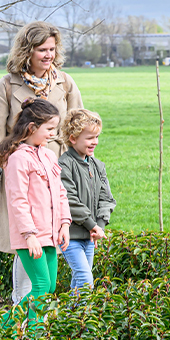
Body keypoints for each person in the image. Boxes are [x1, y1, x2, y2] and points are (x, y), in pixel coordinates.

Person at [0, 21, 83, 304]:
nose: (48, 55)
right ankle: (21, 309)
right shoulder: (7, 85)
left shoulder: (65, 82)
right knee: (26, 241)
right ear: (26, 51)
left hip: (54, 170)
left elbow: (77, 126)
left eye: (52, 49)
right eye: (42, 49)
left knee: (48, 243)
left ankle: (28, 321)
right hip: (20, 172)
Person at [0, 98, 70, 329]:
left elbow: (60, 192)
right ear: (31, 127)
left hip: (50, 234)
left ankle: (2, 328)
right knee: (39, 286)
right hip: (31, 237)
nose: (52, 134)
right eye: (49, 129)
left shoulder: (48, 155)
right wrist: (29, 235)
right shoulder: (18, 158)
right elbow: (17, 200)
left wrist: (65, 224)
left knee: (49, 288)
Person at [57, 109, 115, 292]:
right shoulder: (64, 164)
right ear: (73, 138)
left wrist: (99, 226)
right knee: (84, 277)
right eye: (90, 138)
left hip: (90, 237)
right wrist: (92, 225)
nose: (95, 142)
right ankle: (81, 315)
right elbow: (69, 200)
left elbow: (107, 198)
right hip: (71, 236)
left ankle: (69, 316)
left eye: (97, 137)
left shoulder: (98, 166)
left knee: (80, 278)